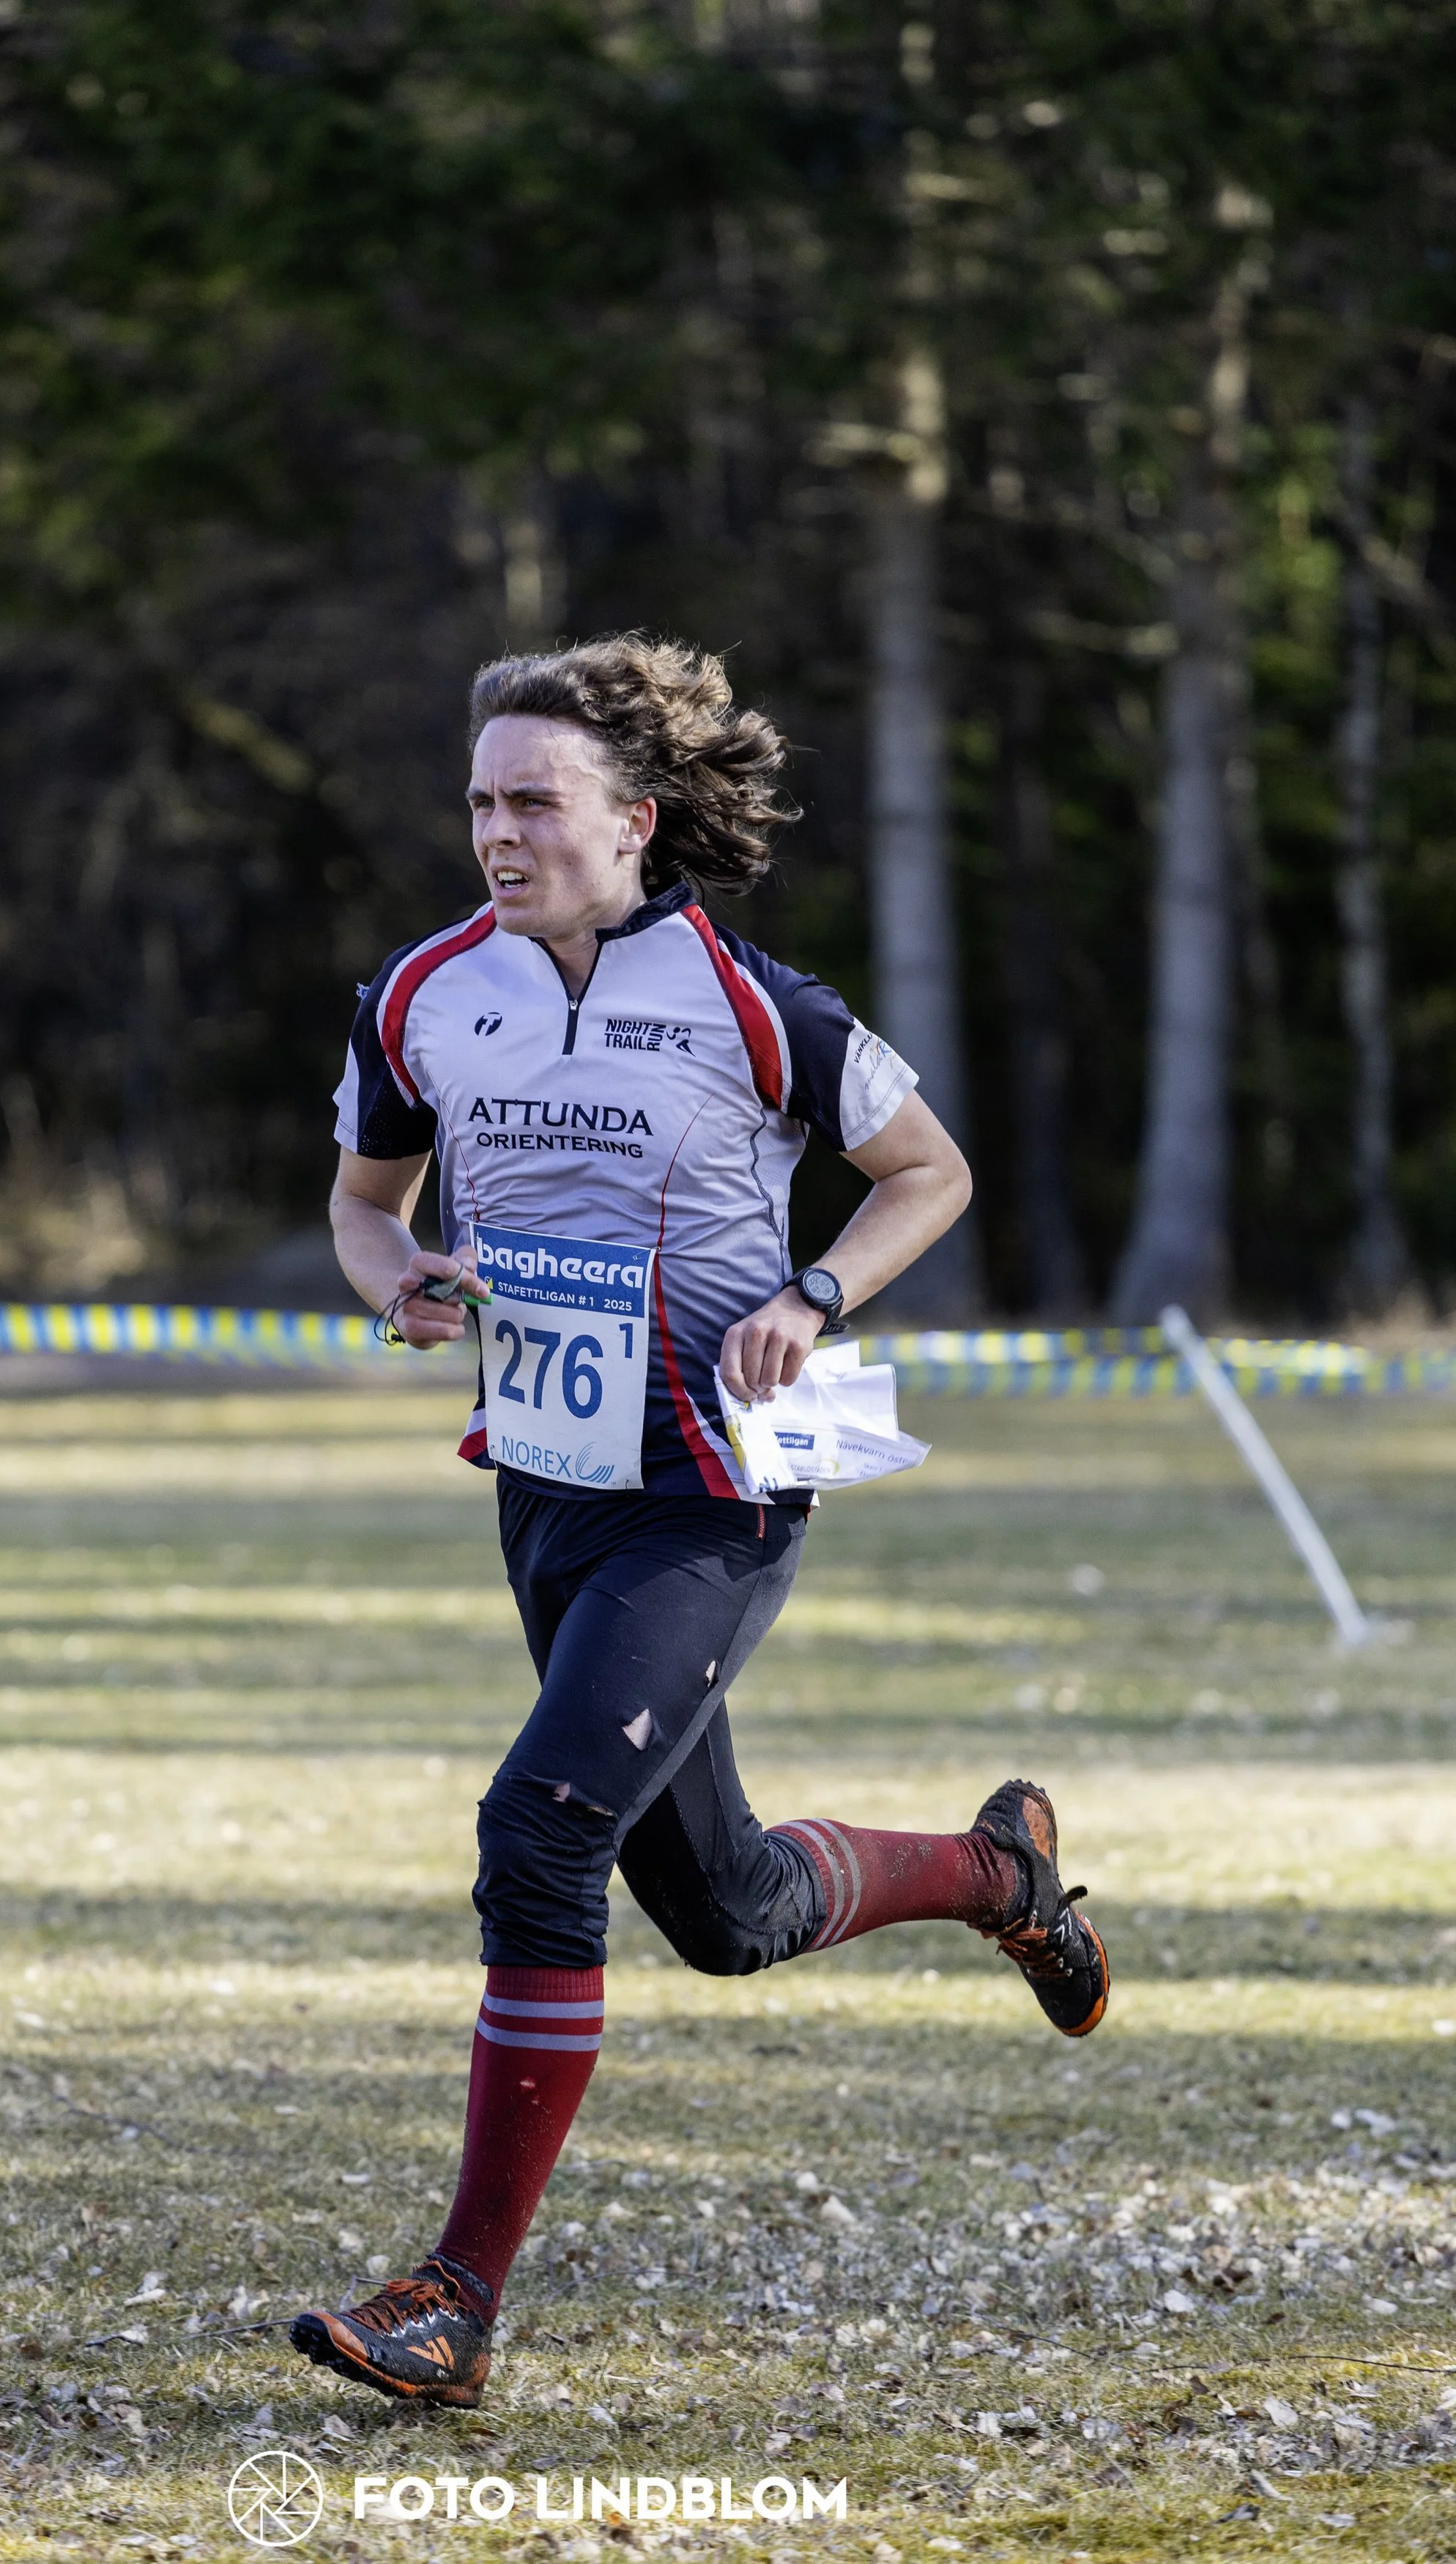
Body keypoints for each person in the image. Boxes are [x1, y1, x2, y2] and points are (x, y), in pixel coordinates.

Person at [290, 636, 1107, 2411]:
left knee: (540, 1823)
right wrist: (400, 1280)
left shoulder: (757, 1004)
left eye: (535, 802)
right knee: (724, 1910)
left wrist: (813, 1289)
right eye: (480, 801)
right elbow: (365, 1205)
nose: (497, 833)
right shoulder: (420, 989)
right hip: (550, 1486)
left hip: (719, 1483)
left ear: (634, 819)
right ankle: (998, 1874)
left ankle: (454, 2300)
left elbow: (930, 1173)